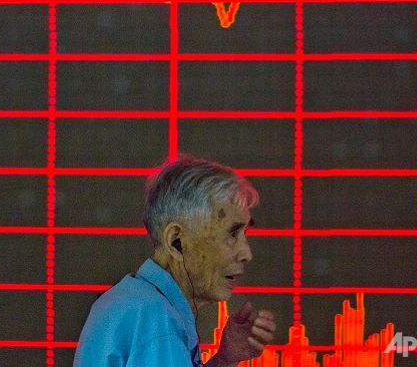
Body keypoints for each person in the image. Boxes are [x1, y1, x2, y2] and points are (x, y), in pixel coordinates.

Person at [73, 155, 276, 367]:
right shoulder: (157, 324)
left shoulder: (138, 302)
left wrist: (225, 359)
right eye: (232, 234)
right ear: (176, 241)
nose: (246, 253)